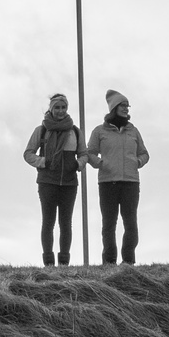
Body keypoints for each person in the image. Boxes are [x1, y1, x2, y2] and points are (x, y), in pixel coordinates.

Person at [85, 88, 149, 265]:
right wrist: (100, 163)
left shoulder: (133, 131)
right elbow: (89, 153)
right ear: (114, 108)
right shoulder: (99, 131)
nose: (127, 109)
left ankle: (128, 261)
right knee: (109, 224)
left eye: (128, 106)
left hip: (131, 182)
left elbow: (144, 153)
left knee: (130, 223)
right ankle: (109, 261)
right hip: (107, 182)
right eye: (123, 105)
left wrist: (137, 162)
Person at [23, 93, 83, 266]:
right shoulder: (41, 130)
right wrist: (43, 162)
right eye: (57, 107)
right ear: (51, 109)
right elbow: (28, 154)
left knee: (66, 223)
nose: (60, 111)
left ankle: (64, 262)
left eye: (63, 107)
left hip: (69, 183)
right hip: (47, 182)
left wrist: (78, 164)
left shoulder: (75, 132)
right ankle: (48, 262)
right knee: (48, 221)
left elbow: (84, 154)